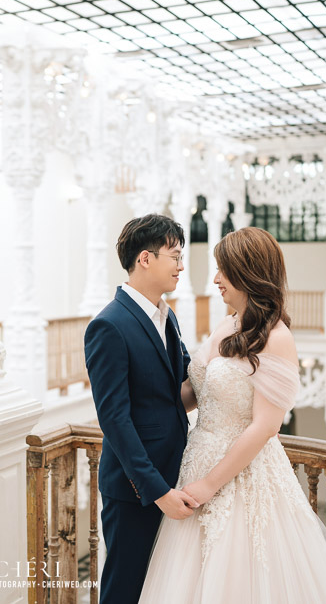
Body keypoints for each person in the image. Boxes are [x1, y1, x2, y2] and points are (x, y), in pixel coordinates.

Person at [138, 227, 326, 603]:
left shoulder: (277, 338)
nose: (216, 279)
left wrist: (209, 484)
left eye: (223, 270)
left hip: (242, 477)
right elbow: (195, 392)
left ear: (249, 273)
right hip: (196, 460)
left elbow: (265, 426)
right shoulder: (227, 324)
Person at [84, 214, 199, 604]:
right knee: (125, 588)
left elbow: (178, 390)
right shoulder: (109, 326)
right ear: (145, 259)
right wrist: (156, 491)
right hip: (135, 490)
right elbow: (114, 420)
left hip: (176, 474)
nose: (181, 266)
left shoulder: (168, 318)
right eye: (175, 256)